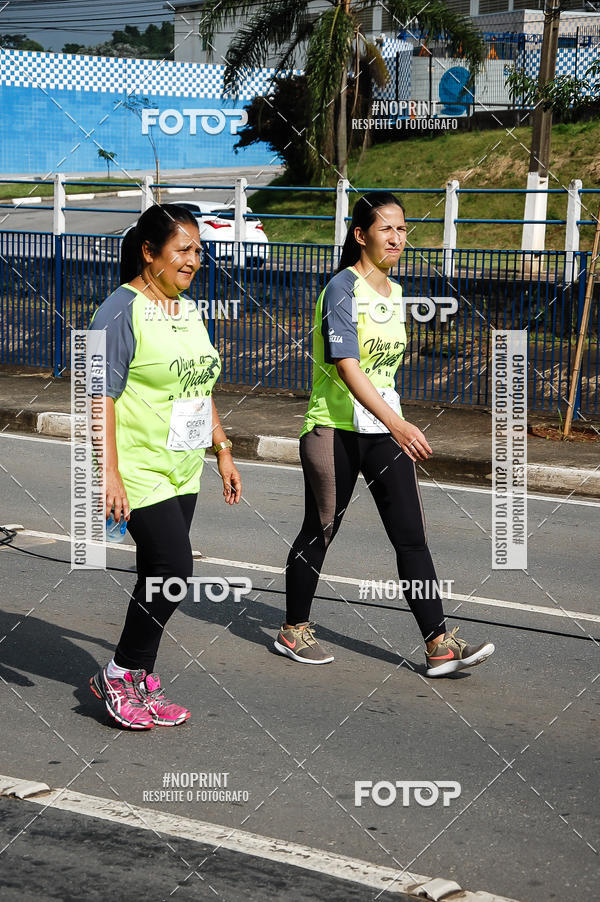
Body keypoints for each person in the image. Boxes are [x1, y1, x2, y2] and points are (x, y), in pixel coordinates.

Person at [275, 192, 494, 677]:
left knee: (411, 537)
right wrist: (399, 423)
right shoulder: (341, 288)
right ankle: (293, 629)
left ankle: (438, 644)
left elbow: (384, 372)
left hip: (382, 431)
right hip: (333, 429)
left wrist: (392, 422)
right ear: (360, 235)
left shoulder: (395, 293)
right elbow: (348, 366)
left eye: (402, 229)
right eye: (386, 229)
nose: (397, 238)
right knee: (320, 530)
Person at [88, 204, 242, 729]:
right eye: (183, 249)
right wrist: (108, 473)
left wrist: (222, 448)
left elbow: (200, 384)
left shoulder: (188, 309)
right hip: (138, 468)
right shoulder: (118, 311)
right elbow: (99, 398)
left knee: (158, 578)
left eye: (198, 250)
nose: (194, 259)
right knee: (174, 570)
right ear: (149, 252)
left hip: (183, 466)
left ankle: (140, 677)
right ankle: (117, 674)